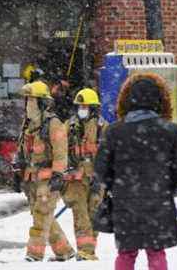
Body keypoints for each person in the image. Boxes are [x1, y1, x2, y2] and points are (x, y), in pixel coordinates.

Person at [94, 73, 177, 270]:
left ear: (127, 100)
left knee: (126, 253)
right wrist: (165, 187)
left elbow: (101, 169)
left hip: (124, 202)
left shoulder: (114, 131)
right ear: (160, 100)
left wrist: (118, 186)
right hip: (159, 201)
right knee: (156, 251)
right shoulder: (170, 130)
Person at [19, 81, 76, 262]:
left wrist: (58, 175)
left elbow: (61, 152)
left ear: (42, 103)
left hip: (48, 179)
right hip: (31, 179)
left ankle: (34, 254)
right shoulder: (28, 124)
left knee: (41, 216)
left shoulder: (54, 123)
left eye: (32, 100)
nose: (28, 104)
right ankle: (64, 251)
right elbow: (23, 150)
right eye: (27, 100)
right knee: (44, 217)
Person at [62, 88, 103, 261]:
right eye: (80, 106)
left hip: (95, 176)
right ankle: (85, 250)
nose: (82, 110)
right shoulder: (69, 126)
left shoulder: (103, 128)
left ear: (93, 108)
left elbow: (108, 154)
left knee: (94, 212)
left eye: (85, 106)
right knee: (80, 212)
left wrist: (100, 177)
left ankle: (89, 249)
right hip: (75, 177)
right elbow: (59, 148)